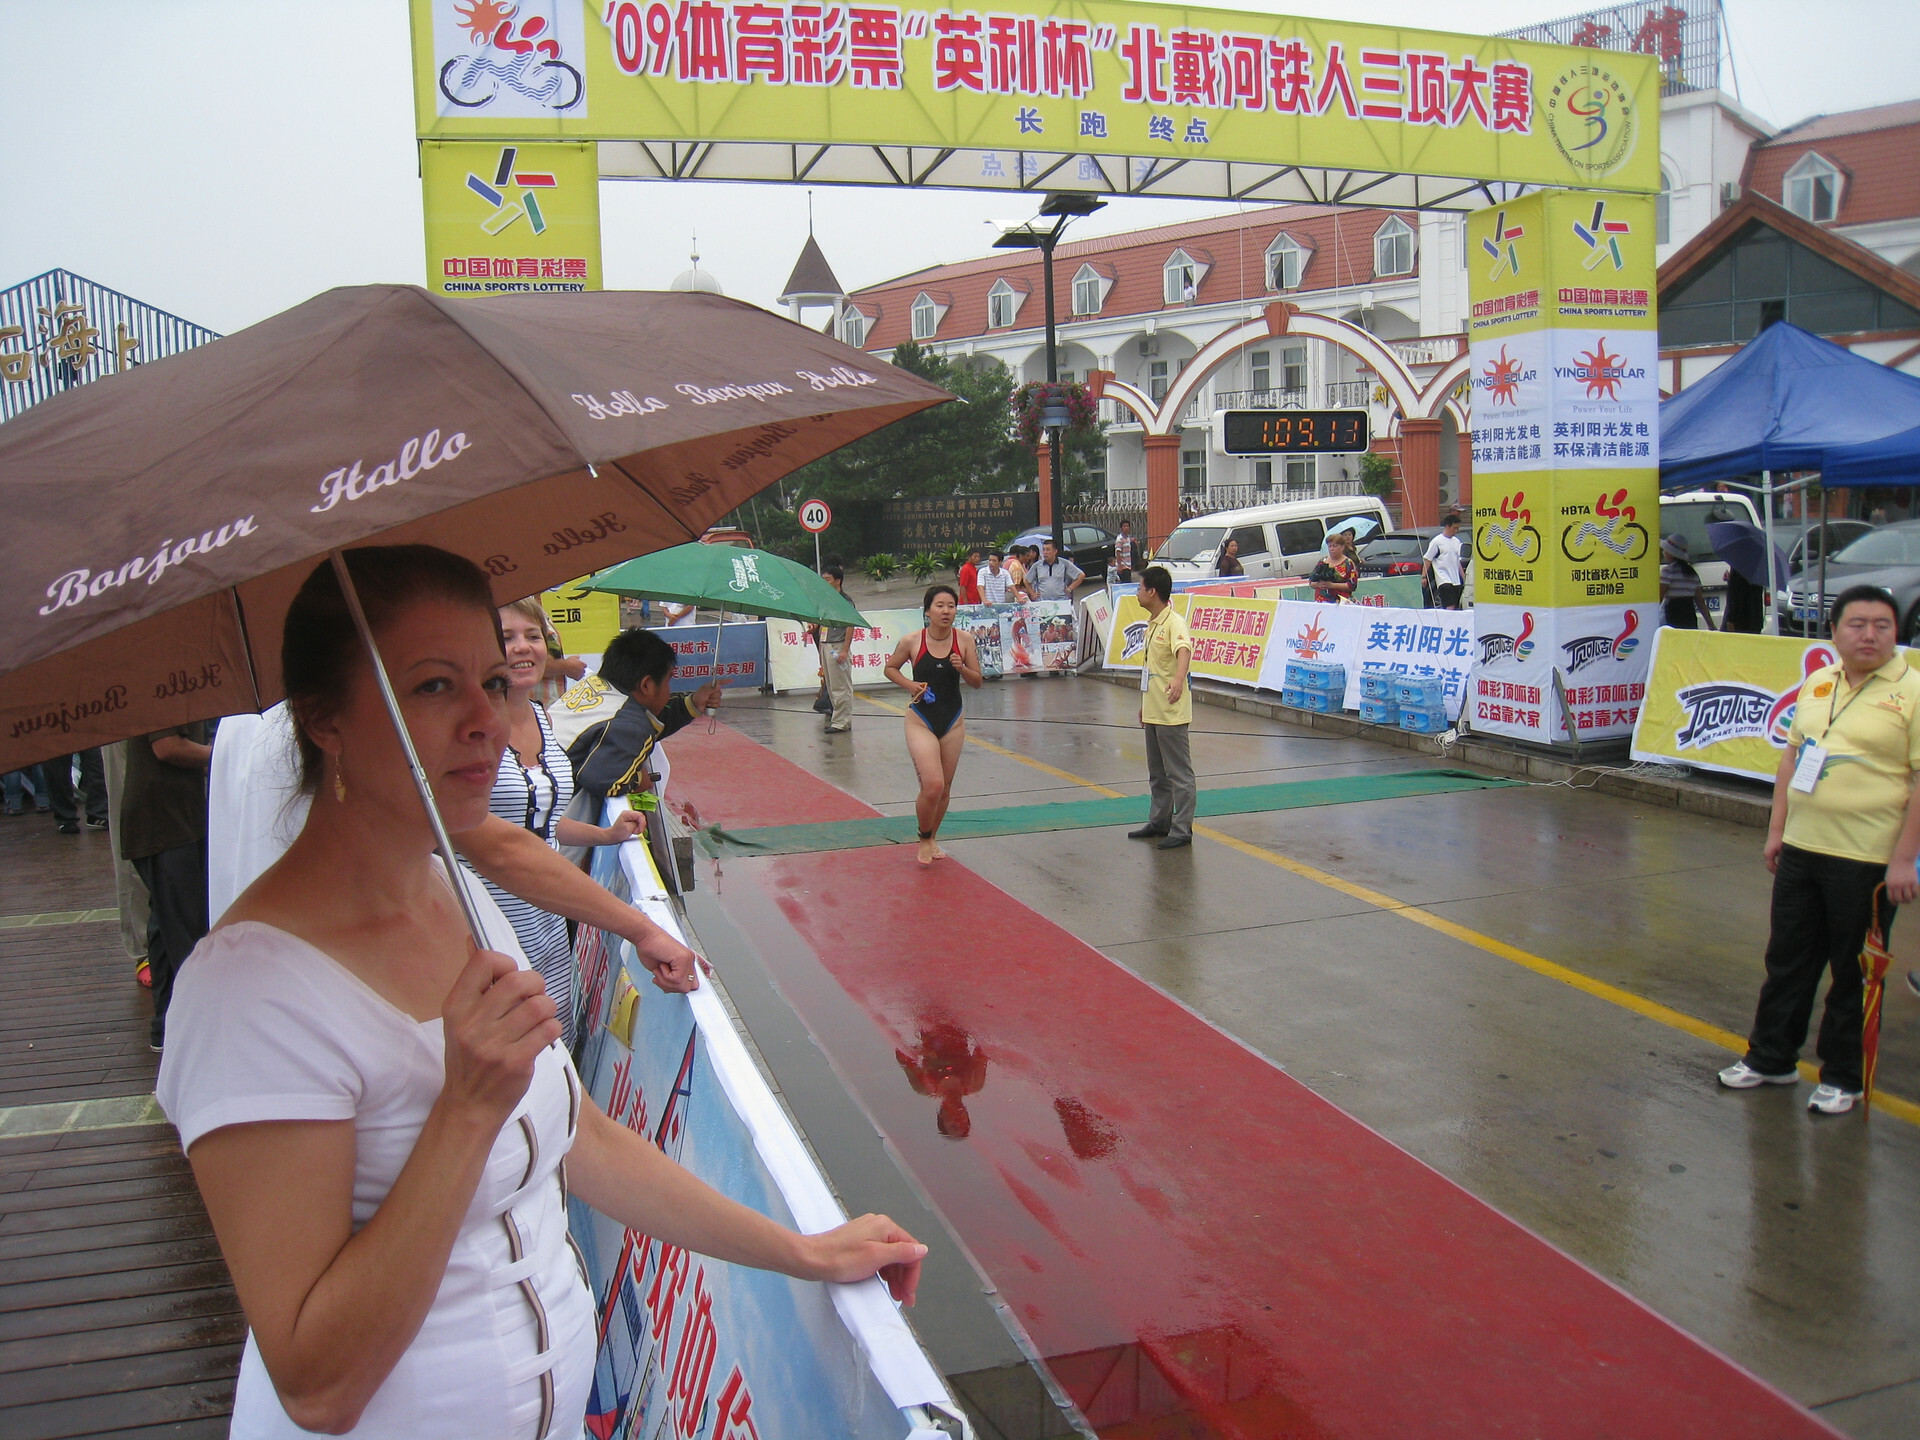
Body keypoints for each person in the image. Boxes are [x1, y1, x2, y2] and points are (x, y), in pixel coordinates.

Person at [155, 544, 925, 1439]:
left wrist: (798, 1250)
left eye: (491, 681)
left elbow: (577, 1136)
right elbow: (318, 1384)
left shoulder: (457, 894)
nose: (486, 720)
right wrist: (464, 1110)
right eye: (433, 687)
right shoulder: (249, 993)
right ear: (324, 719)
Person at [1719, 586, 1920, 1116]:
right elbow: (1792, 759)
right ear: (1834, 631)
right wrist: (1777, 831)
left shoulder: (1913, 691)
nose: (1869, 635)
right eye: (1857, 624)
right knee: (1787, 958)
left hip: (1867, 858)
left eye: (1882, 625)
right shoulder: (1819, 681)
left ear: (1896, 633)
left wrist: (1904, 859)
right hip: (1802, 849)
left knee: (1853, 969)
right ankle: (1771, 1058)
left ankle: (1843, 1076)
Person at [481, 599, 645, 1046]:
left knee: (557, 1036)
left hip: (548, 917)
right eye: (506, 638)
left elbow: (541, 822)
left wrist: (607, 835)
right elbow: (496, 841)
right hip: (493, 920)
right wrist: (641, 930)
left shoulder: (540, 715)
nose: (523, 648)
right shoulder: (468, 728)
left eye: (532, 636)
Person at [121, 722, 213, 1052]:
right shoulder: (161, 693)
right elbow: (168, 747)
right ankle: (199, 1029)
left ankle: (167, 1026)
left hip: (175, 819)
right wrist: (223, 755)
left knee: (165, 922)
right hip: (164, 823)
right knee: (184, 929)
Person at [884, 584, 983, 865]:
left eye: (951, 606)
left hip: (952, 721)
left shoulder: (964, 640)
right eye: (939, 606)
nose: (946, 611)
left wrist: (962, 668)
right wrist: (910, 684)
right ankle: (924, 835)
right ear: (927, 611)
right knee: (933, 785)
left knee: (945, 788)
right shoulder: (912, 641)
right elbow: (890, 668)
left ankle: (931, 837)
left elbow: (977, 681)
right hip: (921, 720)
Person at [1128, 565, 1195, 850]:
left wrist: (1178, 679)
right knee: (1157, 773)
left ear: (1153, 591)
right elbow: (1152, 670)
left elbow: (1184, 650)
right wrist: (1144, 705)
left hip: (1170, 711)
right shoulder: (1153, 624)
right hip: (1154, 709)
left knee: (1179, 773)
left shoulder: (1173, 622)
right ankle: (1159, 822)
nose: (1137, 593)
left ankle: (1182, 828)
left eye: (1140, 588)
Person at [819, 564, 856, 734]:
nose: (824, 583)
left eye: (827, 579)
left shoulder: (845, 601)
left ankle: (842, 722)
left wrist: (845, 650)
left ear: (838, 581)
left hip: (838, 645)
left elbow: (850, 625)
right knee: (832, 686)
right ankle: (838, 718)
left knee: (841, 686)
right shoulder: (826, 599)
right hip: (826, 644)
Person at [1659, 535, 1716, 630]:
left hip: (1673, 614)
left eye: (1665, 550)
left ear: (1671, 553)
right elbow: (1700, 602)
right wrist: (1710, 624)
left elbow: (1660, 595)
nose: (1663, 552)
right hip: (1689, 614)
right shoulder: (1692, 573)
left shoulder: (1667, 571)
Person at [1424, 514, 1468, 610]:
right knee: (1450, 605)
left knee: (1455, 605)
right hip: (1443, 578)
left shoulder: (1456, 541)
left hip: (1455, 579)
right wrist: (1424, 576)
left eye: (1457, 528)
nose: (1456, 531)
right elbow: (1428, 559)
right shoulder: (1437, 541)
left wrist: (1463, 576)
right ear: (1447, 526)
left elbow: (1458, 561)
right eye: (1454, 528)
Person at [1027, 537, 1085, 601]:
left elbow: (1081, 575)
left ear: (1055, 551)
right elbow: (1026, 580)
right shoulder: (1037, 565)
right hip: (1043, 601)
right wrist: (1032, 593)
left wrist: (1070, 588)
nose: (1045, 552)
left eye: (1048, 550)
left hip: (1061, 600)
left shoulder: (1064, 563)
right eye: (1043, 550)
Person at [1311, 531, 1359, 603]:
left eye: (1335, 546)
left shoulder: (1348, 563)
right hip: (1321, 601)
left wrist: (1332, 585)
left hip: (1340, 601)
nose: (1332, 549)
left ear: (1342, 547)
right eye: (1330, 546)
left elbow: (1352, 585)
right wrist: (1319, 584)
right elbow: (1311, 582)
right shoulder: (1322, 562)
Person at [1723, 565, 1765, 634]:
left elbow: (1733, 607)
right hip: (1754, 623)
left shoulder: (1737, 571)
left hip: (1739, 627)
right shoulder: (1757, 571)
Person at [1113, 520, 1138, 584]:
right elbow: (1118, 553)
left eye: (1127, 526)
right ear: (1121, 528)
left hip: (1128, 565)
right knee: (1126, 584)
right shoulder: (1120, 539)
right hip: (1123, 566)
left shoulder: (1127, 538)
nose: (1126, 528)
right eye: (1124, 526)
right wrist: (1120, 566)